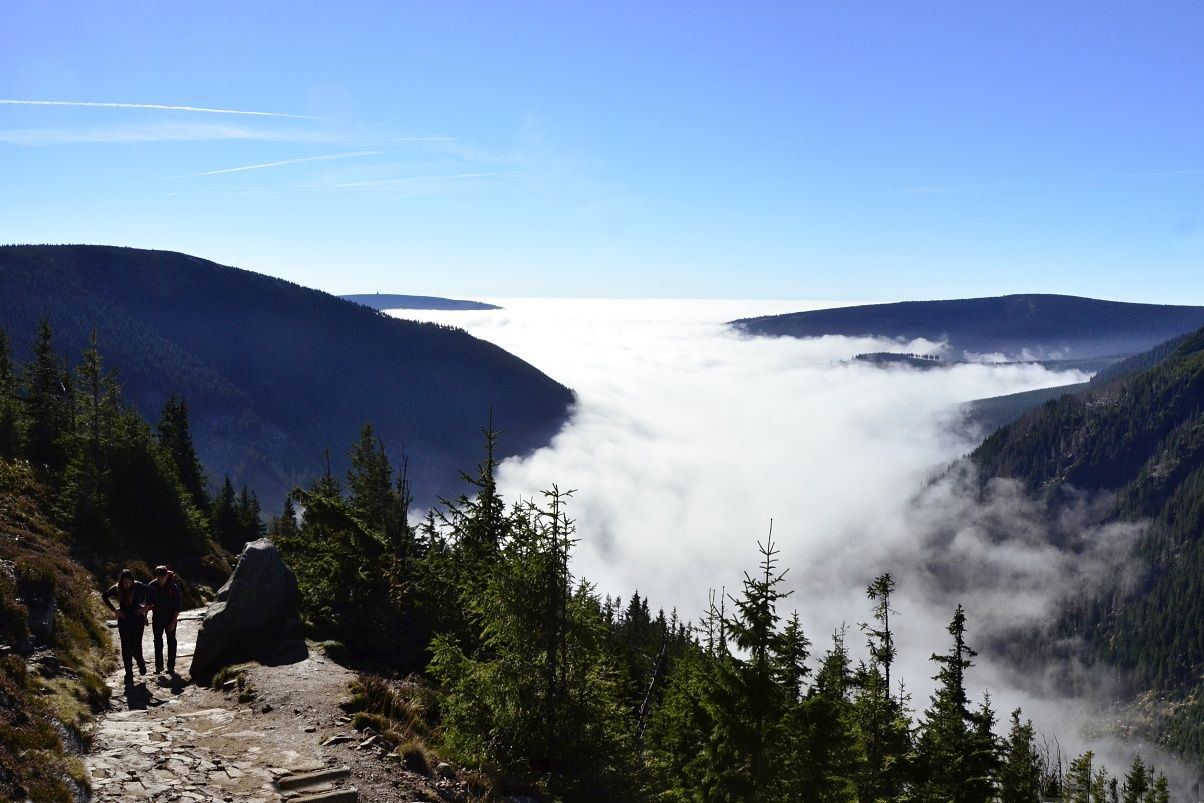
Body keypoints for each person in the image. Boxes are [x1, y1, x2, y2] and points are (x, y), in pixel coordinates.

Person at [102, 568, 152, 684]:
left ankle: (141, 663)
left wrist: (146, 607)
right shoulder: (116, 588)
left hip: (137, 619)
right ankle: (129, 673)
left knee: (136, 645)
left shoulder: (137, 585)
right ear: (121, 581)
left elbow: (153, 591)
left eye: (129, 582)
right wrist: (115, 610)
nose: (127, 585)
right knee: (125, 647)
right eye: (125, 582)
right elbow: (104, 596)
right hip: (124, 619)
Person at [145, 564, 182, 674]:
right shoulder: (151, 586)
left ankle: (171, 667)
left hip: (170, 618)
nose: (160, 579)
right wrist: (145, 617)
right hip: (157, 618)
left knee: (171, 642)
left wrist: (173, 622)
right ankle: (159, 666)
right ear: (156, 576)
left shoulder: (173, 587)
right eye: (158, 577)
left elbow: (177, 606)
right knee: (157, 641)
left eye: (162, 576)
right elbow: (147, 603)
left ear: (166, 575)